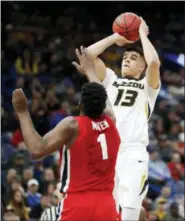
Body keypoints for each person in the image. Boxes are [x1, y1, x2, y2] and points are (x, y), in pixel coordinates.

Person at [12, 49, 120, 221]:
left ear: (79, 104)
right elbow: (103, 99)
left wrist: (22, 111)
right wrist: (91, 72)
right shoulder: (111, 121)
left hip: (78, 203)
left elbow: (36, 149)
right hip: (107, 205)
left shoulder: (72, 125)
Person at [73, 17, 161, 221]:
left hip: (132, 151)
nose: (127, 59)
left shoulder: (148, 88)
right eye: (125, 56)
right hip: (107, 151)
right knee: (106, 212)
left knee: (129, 212)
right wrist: (115, 37)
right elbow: (87, 56)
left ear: (142, 68)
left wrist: (140, 34)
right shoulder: (111, 79)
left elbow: (154, 62)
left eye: (133, 58)